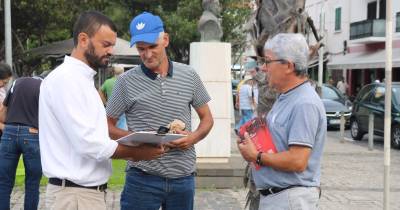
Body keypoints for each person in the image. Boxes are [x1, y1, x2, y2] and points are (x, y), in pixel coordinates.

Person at [39, 11, 165, 210]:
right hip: (75, 195)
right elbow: (90, 144)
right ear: (83, 40)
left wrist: (137, 139)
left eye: (112, 45)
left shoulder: (81, 79)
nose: (111, 51)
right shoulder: (67, 80)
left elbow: (96, 135)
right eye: (106, 45)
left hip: (83, 193)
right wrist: (138, 153)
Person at [106, 12, 213, 210]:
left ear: (165, 40)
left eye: (152, 47)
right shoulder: (125, 82)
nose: (147, 54)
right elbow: (107, 126)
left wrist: (193, 137)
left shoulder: (189, 75)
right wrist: (137, 138)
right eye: (141, 49)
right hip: (141, 179)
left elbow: (207, 119)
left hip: (183, 178)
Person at [237, 33, 326, 210]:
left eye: (268, 61)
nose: (263, 68)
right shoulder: (286, 97)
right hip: (280, 198)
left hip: (290, 199)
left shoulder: (304, 103)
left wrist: (257, 156)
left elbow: (297, 161)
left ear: (288, 66)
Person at [0, 74, 44, 210]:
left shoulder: (16, 83)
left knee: (3, 183)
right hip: (32, 134)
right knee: (32, 183)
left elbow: (2, 113)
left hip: (9, 133)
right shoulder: (45, 86)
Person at [98, 65, 127, 130]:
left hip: (110, 108)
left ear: (113, 72)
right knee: (122, 128)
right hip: (122, 109)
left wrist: (105, 103)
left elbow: (100, 91)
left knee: (110, 127)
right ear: (123, 71)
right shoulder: (125, 82)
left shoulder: (107, 82)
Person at [235, 59, 258, 132]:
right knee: (248, 119)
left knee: (244, 117)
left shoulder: (241, 86)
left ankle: (238, 127)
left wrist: (237, 102)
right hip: (248, 106)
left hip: (243, 106)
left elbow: (238, 94)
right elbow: (250, 96)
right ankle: (243, 130)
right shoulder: (249, 87)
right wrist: (253, 104)